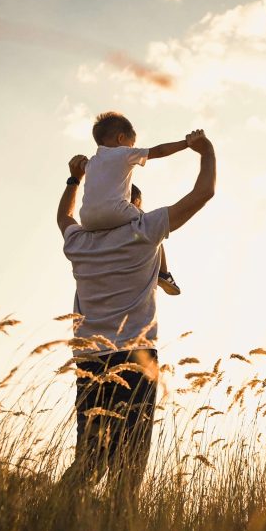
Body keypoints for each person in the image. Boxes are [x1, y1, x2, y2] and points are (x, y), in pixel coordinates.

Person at [55, 129, 216, 504]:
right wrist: (205, 150)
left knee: (89, 462)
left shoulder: (77, 242)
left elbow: (63, 215)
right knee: (128, 466)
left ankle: (49, 519)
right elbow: (203, 193)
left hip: (89, 359)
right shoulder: (144, 231)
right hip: (135, 356)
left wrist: (74, 180)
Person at [80, 111, 189, 295]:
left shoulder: (91, 163)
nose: (132, 149)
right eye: (132, 145)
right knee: (152, 225)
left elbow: (82, 167)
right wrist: (186, 143)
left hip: (87, 220)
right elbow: (159, 151)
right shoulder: (123, 153)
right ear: (121, 138)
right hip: (115, 211)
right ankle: (163, 273)